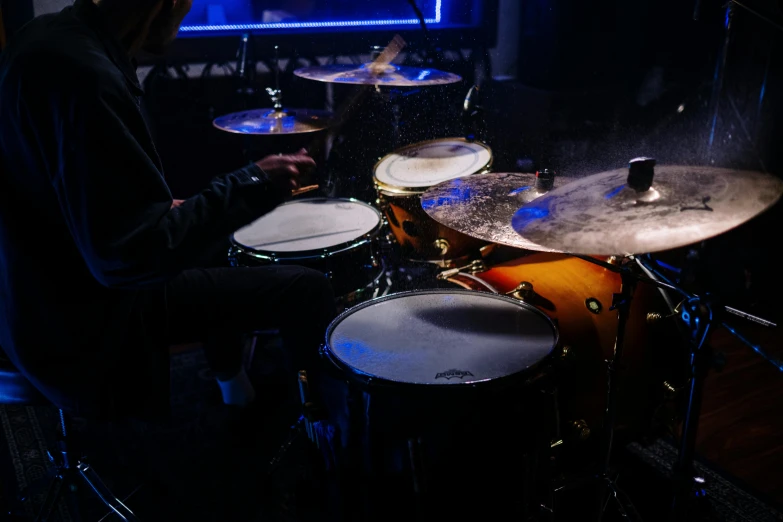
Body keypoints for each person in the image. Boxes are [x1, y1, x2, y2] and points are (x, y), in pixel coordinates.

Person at [0, 0, 337, 422]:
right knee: (307, 289)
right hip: (84, 319)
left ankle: (234, 389)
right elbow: (130, 259)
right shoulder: (88, 78)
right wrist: (252, 182)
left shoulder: (48, 39)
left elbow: (70, 192)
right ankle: (338, 442)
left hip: (35, 293)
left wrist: (165, 210)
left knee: (214, 241)